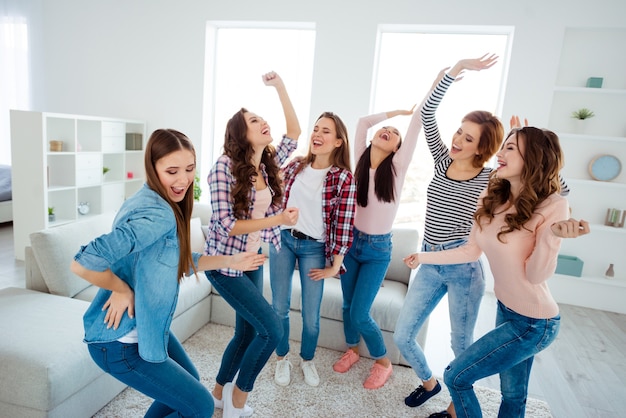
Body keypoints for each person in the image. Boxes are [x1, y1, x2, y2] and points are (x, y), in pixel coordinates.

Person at [70, 129, 266, 418]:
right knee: (199, 405)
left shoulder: (155, 200)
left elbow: (176, 261)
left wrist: (232, 260)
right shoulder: (157, 214)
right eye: (172, 171)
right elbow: (84, 262)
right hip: (121, 343)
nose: (183, 179)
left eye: (189, 169)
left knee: (189, 385)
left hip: (142, 327)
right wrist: (121, 289)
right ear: (153, 167)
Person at [403, 126, 590, 418]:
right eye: (503, 146)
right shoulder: (493, 194)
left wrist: (552, 237)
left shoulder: (555, 205)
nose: (500, 154)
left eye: (511, 148)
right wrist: (423, 256)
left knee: (455, 376)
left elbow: (536, 276)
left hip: (536, 322)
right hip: (507, 309)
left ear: (534, 158)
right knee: (513, 394)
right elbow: (470, 250)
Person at [393, 54, 506, 412]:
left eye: (467, 137)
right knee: (403, 335)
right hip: (429, 259)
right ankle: (429, 383)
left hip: (463, 267)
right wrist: (456, 70)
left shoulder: (490, 179)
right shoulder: (443, 160)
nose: (457, 139)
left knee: (461, 345)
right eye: (459, 130)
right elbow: (427, 113)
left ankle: (458, 407)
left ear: (482, 148)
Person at [204, 71, 301, 418]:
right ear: (239, 133)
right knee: (271, 331)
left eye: (262, 118)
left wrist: (280, 87)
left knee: (246, 333)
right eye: (254, 120)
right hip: (224, 265)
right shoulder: (223, 168)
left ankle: (218, 396)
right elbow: (227, 225)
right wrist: (277, 220)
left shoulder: (267, 163)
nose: (263, 123)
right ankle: (237, 404)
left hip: (251, 260)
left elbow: (294, 132)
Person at [331, 104, 420, 389]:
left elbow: (418, 123)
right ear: (372, 138)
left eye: (395, 134)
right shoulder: (359, 159)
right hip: (351, 243)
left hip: (378, 251)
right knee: (347, 305)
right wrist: (395, 113)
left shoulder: (397, 167)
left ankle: (383, 362)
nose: (388, 131)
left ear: (397, 148)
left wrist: (411, 116)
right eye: (384, 129)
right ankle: (352, 350)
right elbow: (362, 121)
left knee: (360, 312)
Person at [270, 111, 356, 388]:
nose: (317, 135)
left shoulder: (343, 178)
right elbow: (271, 192)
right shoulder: (295, 166)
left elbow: (344, 223)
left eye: (326, 131)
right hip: (283, 240)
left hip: (313, 248)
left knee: (311, 315)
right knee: (279, 307)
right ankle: (281, 357)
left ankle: (307, 359)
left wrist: (335, 264)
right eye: (316, 129)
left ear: (338, 142)